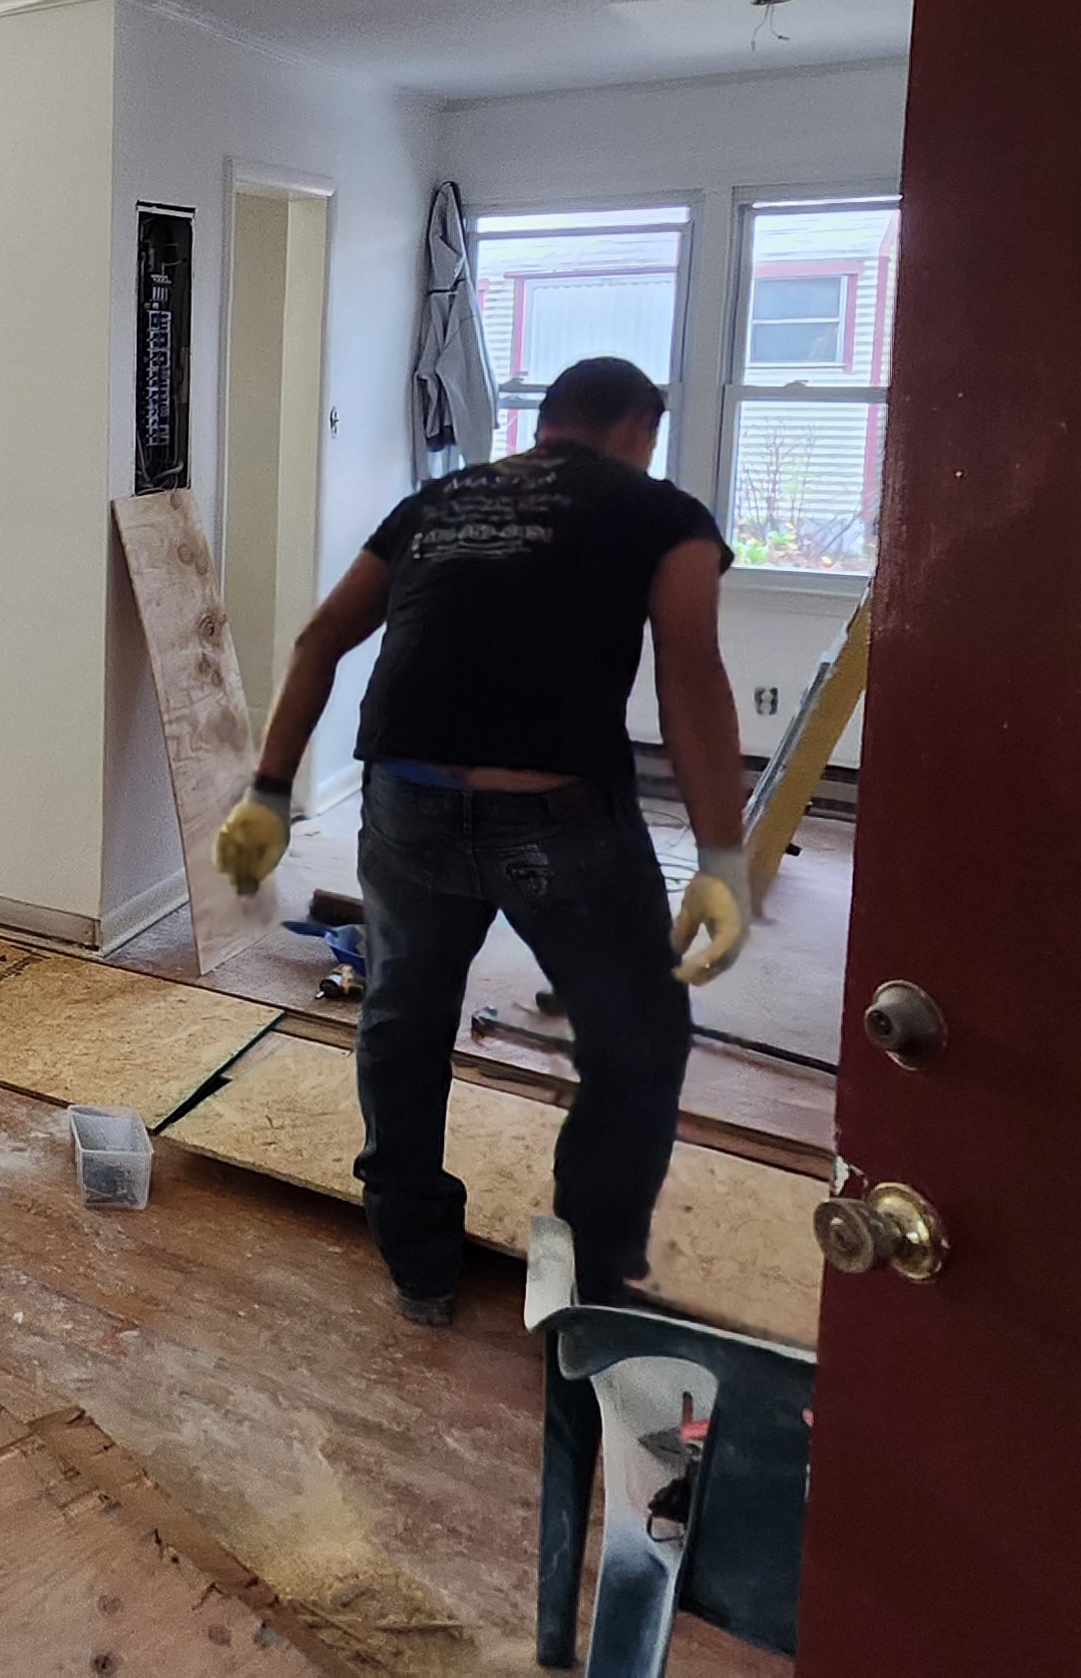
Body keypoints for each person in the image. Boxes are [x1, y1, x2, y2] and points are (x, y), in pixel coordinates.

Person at [213, 355, 752, 1326]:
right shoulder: (657, 509)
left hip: (404, 804)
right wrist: (720, 856)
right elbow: (691, 680)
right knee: (636, 1044)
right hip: (561, 823)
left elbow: (317, 639)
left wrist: (267, 790)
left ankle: (418, 1263)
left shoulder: (437, 499)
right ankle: (589, 1293)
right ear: (639, 426)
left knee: (403, 1026)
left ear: (543, 425)